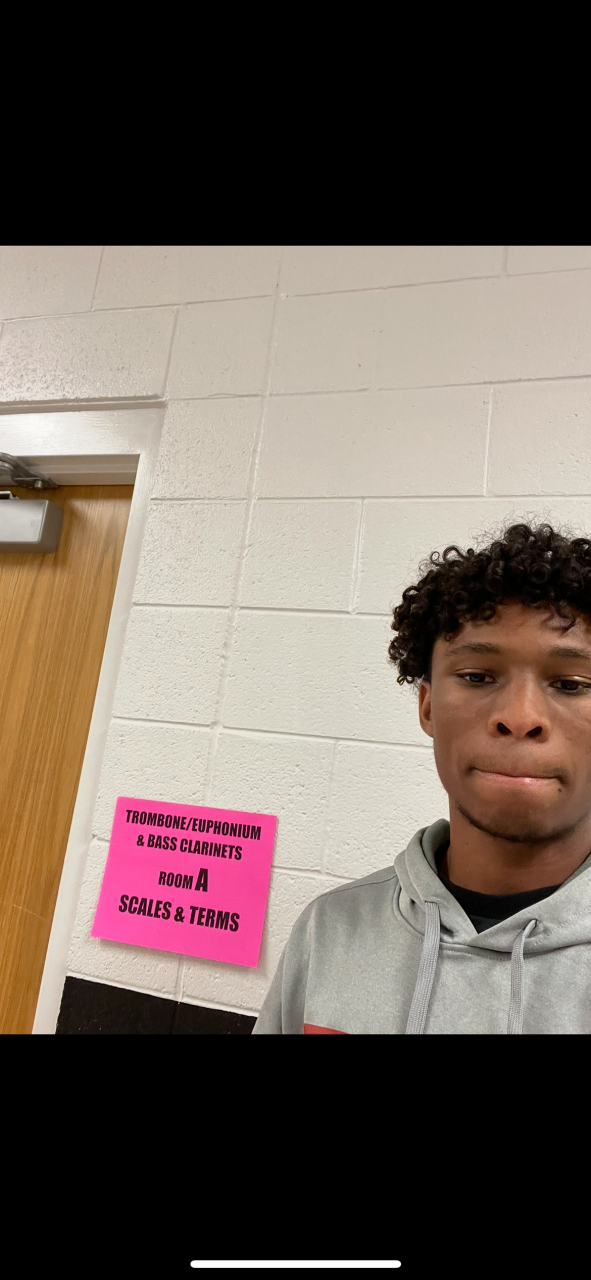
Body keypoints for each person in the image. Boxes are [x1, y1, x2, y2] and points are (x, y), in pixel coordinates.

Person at [253, 522, 591, 1034]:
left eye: (571, 684)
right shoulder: (328, 931)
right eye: (477, 676)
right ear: (428, 707)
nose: (521, 717)